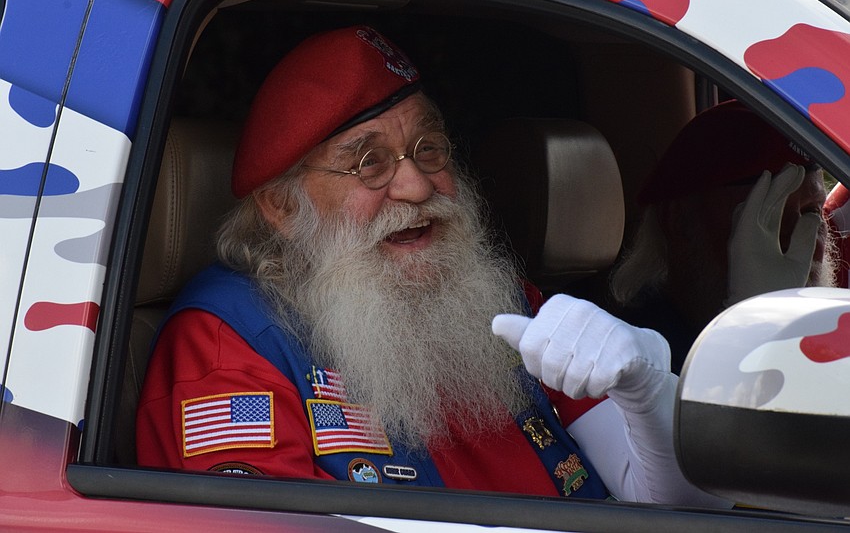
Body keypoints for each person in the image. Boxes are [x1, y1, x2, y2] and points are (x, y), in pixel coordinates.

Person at [136, 25, 723, 506]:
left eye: (428, 148)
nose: (417, 186)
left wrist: (648, 398)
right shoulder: (226, 339)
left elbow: (670, 503)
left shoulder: (498, 298)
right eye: (368, 162)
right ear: (283, 206)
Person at [609, 100, 836, 373]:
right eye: (767, 218)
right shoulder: (635, 362)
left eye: (812, 214)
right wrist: (755, 329)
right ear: (679, 221)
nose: (804, 245)